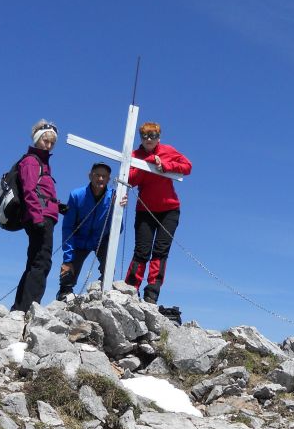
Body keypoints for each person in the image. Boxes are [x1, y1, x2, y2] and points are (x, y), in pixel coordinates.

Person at [124, 121, 192, 303]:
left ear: (158, 137)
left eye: (152, 135)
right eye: (144, 136)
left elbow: (187, 167)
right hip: (145, 211)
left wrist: (166, 165)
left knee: (160, 252)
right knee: (141, 251)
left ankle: (151, 294)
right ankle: (130, 289)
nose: (148, 139)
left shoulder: (167, 150)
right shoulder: (134, 155)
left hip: (169, 210)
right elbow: (130, 179)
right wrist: (147, 164)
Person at [11, 119, 60, 312]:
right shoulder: (32, 161)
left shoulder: (41, 163)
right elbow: (29, 191)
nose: (48, 145)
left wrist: (57, 206)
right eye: (45, 141)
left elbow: (40, 192)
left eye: (52, 143)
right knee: (41, 262)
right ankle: (28, 308)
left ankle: (20, 307)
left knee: (35, 262)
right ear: (37, 139)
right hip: (39, 219)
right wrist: (38, 218)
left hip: (42, 216)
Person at [56, 162, 122, 300]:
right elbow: (68, 227)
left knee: (108, 270)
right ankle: (64, 295)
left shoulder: (114, 197)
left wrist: (118, 209)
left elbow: (118, 229)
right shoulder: (76, 195)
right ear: (90, 176)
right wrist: (68, 258)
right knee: (68, 272)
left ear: (109, 179)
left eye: (104, 176)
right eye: (97, 175)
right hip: (79, 240)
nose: (100, 179)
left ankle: (102, 294)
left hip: (101, 239)